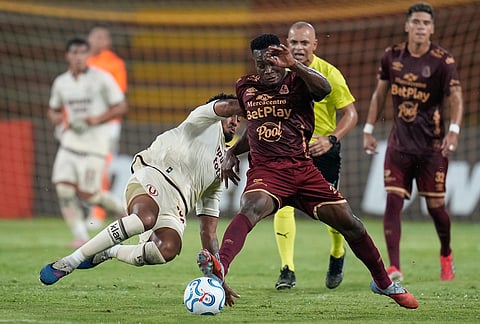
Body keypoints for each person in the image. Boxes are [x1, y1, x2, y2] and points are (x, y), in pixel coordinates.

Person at [197, 33, 419, 309]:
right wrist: (232, 151)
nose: (266, 70)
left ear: (281, 58)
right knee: (251, 207)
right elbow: (253, 127)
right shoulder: (245, 86)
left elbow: (324, 90)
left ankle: (383, 282)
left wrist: (294, 65)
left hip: (303, 170)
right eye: (260, 65)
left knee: (351, 223)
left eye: (271, 63)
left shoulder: (299, 81)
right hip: (267, 172)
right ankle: (221, 268)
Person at [39, 94, 242, 286]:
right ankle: (71, 261)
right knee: (144, 219)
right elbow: (227, 106)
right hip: (154, 175)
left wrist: (219, 275)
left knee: (166, 250)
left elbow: (208, 230)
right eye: (232, 117)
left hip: (176, 207)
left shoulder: (223, 167)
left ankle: (110, 251)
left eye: (239, 119)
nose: (235, 121)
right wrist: (255, 103)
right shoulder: (203, 119)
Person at [363, 2, 463, 282]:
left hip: (432, 147)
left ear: (432, 29)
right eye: (416, 22)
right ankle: (394, 267)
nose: (421, 27)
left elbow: (456, 98)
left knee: (436, 208)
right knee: (393, 201)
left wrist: (453, 130)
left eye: (426, 23)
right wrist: (368, 129)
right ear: (407, 25)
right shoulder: (392, 56)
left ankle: (446, 254)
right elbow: (379, 94)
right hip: (399, 145)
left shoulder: (443, 61)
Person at [273, 21, 358, 290]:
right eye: (293, 42)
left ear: (315, 45)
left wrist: (331, 139)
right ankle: (287, 269)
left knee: (332, 213)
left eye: (304, 43)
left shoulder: (330, 74)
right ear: (287, 42)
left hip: (323, 151)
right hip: (289, 149)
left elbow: (351, 114)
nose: (298, 48)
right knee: (282, 204)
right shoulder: (278, 73)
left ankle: (337, 251)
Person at [47, 38, 128, 248]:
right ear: (68, 56)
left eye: (83, 52)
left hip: (95, 145)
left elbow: (121, 106)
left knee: (89, 194)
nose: (79, 57)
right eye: (74, 52)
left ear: (88, 55)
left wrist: (97, 119)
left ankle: (123, 211)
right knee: (63, 188)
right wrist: (56, 118)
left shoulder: (102, 78)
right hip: (70, 143)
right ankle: (80, 235)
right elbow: (53, 109)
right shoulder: (61, 82)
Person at [86, 24, 128, 230]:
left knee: (102, 166)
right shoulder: (84, 61)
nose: (98, 41)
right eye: (95, 36)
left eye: (103, 37)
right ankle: (107, 207)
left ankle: (99, 212)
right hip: (85, 125)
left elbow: (117, 96)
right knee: (88, 167)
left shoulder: (114, 64)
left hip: (107, 124)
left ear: (108, 42)